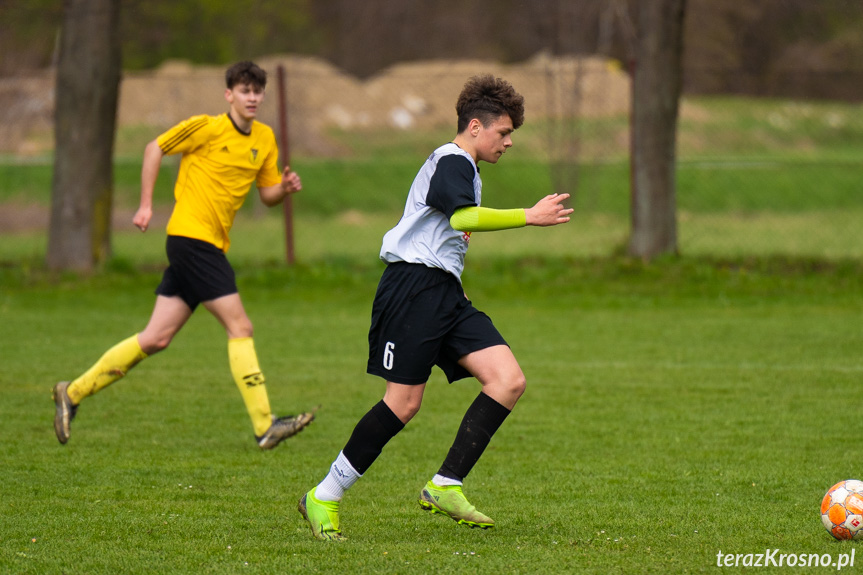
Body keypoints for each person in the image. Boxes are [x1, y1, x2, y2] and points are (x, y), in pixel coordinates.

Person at [297, 74, 573, 540]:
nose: (508, 143)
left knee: (507, 380)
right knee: (403, 404)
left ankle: (445, 484)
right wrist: (529, 216)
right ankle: (324, 495)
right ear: (474, 127)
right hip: (412, 289)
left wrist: (455, 282)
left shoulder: (467, 169)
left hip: (444, 292)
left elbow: (447, 233)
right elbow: (463, 218)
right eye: (503, 133)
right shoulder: (452, 161)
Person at [52, 61, 315, 450]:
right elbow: (153, 148)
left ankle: (71, 393)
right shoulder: (207, 128)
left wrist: (285, 189)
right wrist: (145, 206)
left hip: (207, 244)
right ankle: (265, 425)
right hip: (191, 240)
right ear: (229, 94)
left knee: (155, 338)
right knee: (240, 326)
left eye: (258, 91)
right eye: (244, 90)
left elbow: (267, 194)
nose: (253, 97)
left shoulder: (265, 138)